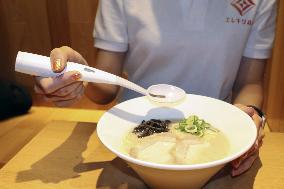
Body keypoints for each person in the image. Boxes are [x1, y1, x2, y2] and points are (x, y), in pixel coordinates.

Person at [34, 0, 276, 176]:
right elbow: (105, 88)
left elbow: (250, 83)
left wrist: (250, 117)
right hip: (133, 133)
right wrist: (79, 76)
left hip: (214, 138)